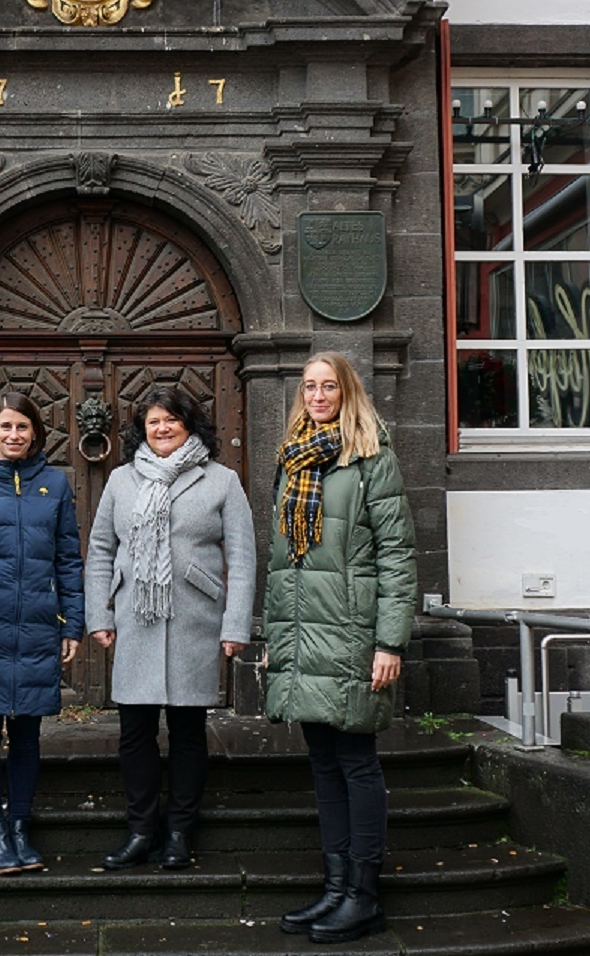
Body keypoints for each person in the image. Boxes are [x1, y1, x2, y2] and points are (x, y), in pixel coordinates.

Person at [262, 352, 417, 943]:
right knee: (324, 765)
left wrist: (390, 641)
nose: (318, 395)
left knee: (356, 763)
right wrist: (277, 638)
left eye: (329, 386)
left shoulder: (372, 458)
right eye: (309, 387)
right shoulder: (292, 458)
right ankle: (334, 889)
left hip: (353, 634)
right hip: (303, 634)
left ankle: (364, 894)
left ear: (348, 391)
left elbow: (398, 554)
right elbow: (284, 565)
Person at [84, 386, 256, 870]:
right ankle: (141, 831)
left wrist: (236, 623)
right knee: (135, 732)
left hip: (195, 619)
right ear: (142, 429)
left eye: (170, 420)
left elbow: (242, 559)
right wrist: (99, 613)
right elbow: (99, 550)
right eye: (152, 422)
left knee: (187, 731)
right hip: (135, 616)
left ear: (189, 425)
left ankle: (179, 833)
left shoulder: (221, 480)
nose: (161, 429)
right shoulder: (121, 480)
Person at [0, 391, 85, 874]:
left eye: (22, 427)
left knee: (27, 733)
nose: (13, 436)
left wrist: (72, 621)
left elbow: (68, 557)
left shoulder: (55, 485)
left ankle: (21, 825)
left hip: (36, 627)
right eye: (4, 427)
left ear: (35, 433)